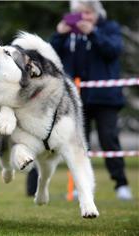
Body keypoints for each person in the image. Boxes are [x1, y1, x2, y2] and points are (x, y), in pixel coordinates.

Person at [50, 0, 132, 200]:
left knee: (109, 140)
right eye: (79, 13)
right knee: (78, 144)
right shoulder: (69, 33)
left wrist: (93, 32)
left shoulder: (109, 28)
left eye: (87, 13)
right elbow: (50, 55)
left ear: (96, 13)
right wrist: (59, 35)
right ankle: (81, 187)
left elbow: (113, 50)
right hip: (77, 99)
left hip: (106, 98)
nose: (83, 18)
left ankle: (121, 185)